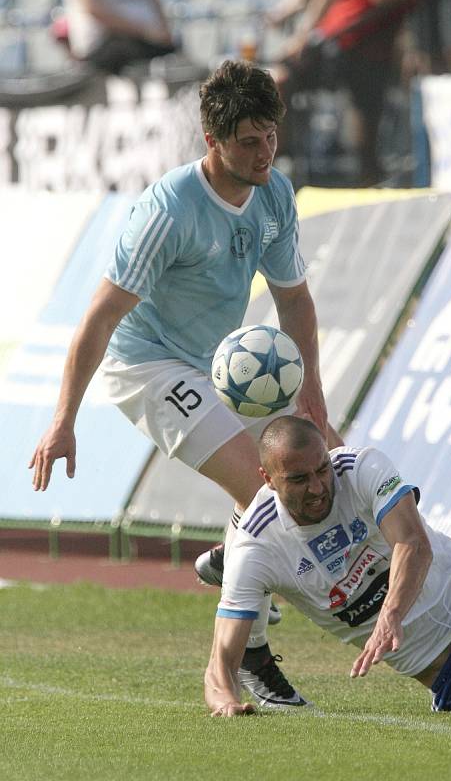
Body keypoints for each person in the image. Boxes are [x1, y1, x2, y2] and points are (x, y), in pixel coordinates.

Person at [30, 59, 340, 711]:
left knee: (282, 486)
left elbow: (296, 302)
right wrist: (64, 419)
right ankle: (247, 656)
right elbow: (100, 316)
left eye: (270, 137)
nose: (264, 153)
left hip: (216, 367)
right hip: (143, 366)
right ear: (213, 141)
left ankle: (232, 565)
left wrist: (312, 397)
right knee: (262, 492)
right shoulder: (169, 209)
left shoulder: (274, 194)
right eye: (248, 142)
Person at [204, 415, 451, 716]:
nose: (318, 487)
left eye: (322, 470)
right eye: (299, 479)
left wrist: (391, 614)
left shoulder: (360, 466)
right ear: (267, 479)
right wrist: (224, 702)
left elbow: (412, 543)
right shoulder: (255, 546)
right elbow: (222, 660)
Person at [271, 0, 429, 186]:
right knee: (275, 81)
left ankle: (367, 177)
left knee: (365, 127)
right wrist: (302, 34)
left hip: (368, 43)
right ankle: (270, 170)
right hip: (329, 40)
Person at [59, 0, 176, 74]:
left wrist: (165, 32)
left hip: (146, 41)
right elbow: (92, 7)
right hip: (103, 46)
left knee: (175, 59)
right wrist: (145, 32)